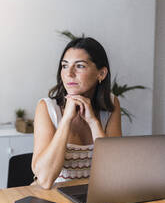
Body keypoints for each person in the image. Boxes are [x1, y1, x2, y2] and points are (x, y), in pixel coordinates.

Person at [32, 37, 122, 189]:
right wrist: (66, 120)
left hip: (92, 198)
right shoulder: (46, 108)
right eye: (65, 66)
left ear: (101, 73)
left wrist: (94, 122)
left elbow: (114, 172)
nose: (69, 74)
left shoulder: (111, 104)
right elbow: (45, 180)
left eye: (79, 66)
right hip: (51, 200)